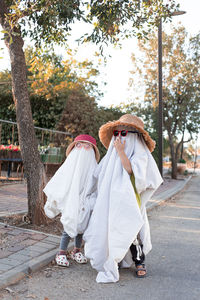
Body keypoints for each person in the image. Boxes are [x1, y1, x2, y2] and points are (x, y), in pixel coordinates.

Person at [84, 114, 163, 282]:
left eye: (124, 133)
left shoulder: (139, 153)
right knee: (113, 226)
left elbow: (131, 171)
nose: (119, 137)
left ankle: (139, 261)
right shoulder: (112, 155)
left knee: (132, 229)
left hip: (131, 197)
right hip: (113, 197)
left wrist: (121, 151)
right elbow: (100, 174)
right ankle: (115, 256)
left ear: (134, 135)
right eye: (116, 133)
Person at [43, 134, 100, 267]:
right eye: (79, 145)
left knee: (82, 226)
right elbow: (62, 180)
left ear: (92, 149)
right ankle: (61, 252)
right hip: (71, 199)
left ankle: (76, 250)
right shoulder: (70, 165)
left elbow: (96, 184)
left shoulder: (93, 167)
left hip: (86, 201)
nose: (82, 149)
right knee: (68, 225)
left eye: (87, 146)